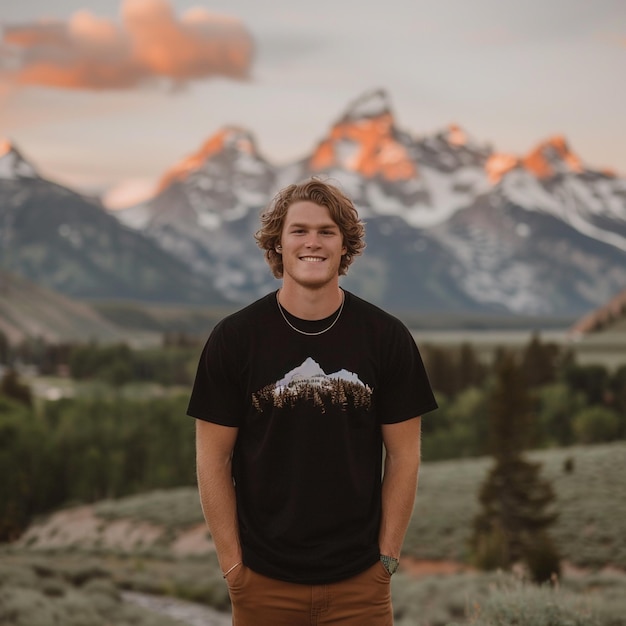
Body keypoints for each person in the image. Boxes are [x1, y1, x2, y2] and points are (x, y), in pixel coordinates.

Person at [187, 178, 438, 625]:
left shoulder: (387, 338)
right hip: (262, 585)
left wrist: (387, 560)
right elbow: (212, 461)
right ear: (277, 245)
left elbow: (404, 457)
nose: (313, 242)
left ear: (345, 247)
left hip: (361, 585)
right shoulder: (234, 339)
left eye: (327, 231)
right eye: (298, 231)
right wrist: (234, 569)